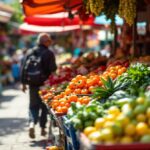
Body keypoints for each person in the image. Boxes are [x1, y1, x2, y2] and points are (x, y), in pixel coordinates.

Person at [20, 33, 57, 139]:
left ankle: (32, 123)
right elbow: (53, 69)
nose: (50, 43)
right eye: (49, 41)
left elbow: (23, 68)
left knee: (33, 106)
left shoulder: (30, 51)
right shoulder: (49, 53)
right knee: (44, 107)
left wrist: (23, 84)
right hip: (45, 85)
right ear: (45, 42)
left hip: (32, 84)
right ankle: (42, 129)